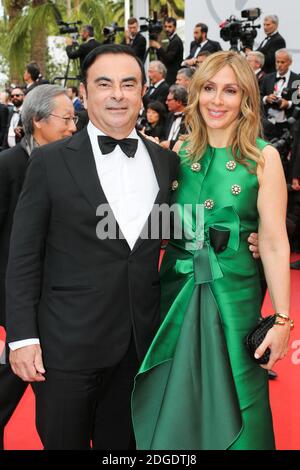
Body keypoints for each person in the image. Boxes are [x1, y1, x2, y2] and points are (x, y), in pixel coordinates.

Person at [5, 44, 179, 450]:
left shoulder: (164, 162)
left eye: (128, 84)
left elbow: (175, 232)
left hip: (140, 347)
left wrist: (248, 240)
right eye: (104, 84)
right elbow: (23, 256)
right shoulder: (48, 162)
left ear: (142, 92)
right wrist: (22, 337)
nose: (117, 94)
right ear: (84, 91)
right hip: (65, 348)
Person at [132, 51, 291, 450]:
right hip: (174, 297)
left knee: (240, 395)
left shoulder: (263, 158)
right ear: (196, 93)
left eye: (230, 90)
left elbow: (272, 241)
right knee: (172, 396)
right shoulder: (176, 156)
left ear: (246, 99)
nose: (217, 100)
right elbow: (153, 228)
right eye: (209, 88)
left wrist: (283, 321)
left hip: (234, 299)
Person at [0, 84, 76, 449]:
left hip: (60, 318)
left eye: (75, 119)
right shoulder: (7, 167)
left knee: (59, 421)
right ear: (37, 121)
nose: (72, 127)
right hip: (10, 320)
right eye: (66, 119)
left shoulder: (74, 167)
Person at [150, 17, 183, 86]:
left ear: (175, 28)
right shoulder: (172, 40)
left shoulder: (176, 41)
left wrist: (158, 47)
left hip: (173, 77)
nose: (167, 29)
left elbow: (168, 58)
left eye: (170, 27)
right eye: (165, 26)